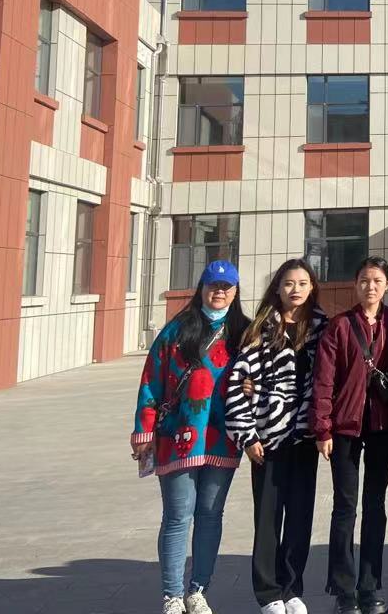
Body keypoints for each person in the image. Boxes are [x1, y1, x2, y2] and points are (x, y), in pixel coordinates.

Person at [132, 259, 251, 614]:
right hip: (178, 435)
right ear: (202, 288)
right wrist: (144, 428)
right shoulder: (177, 330)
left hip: (222, 436)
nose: (219, 292)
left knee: (211, 515)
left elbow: (260, 374)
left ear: (235, 291)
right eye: (213, 285)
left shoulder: (244, 332)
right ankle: (172, 594)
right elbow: (151, 380)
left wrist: (254, 388)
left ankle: (198, 590)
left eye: (226, 287)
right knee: (177, 515)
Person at [225, 259, 329, 614]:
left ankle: (292, 588)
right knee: (268, 518)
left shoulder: (323, 328)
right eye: (288, 283)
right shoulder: (261, 329)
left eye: (302, 283)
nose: (295, 289)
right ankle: (268, 592)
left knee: (300, 516)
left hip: (304, 437)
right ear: (277, 288)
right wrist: (247, 435)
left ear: (312, 288)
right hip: (267, 440)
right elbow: (238, 383)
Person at [312, 256, 388, 614]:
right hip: (345, 428)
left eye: (377, 280)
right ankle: (344, 588)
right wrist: (322, 427)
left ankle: (370, 585)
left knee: (375, 505)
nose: (370, 286)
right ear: (355, 284)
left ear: (387, 285)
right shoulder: (339, 326)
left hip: (383, 426)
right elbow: (324, 380)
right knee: (345, 507)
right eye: (364, 280)